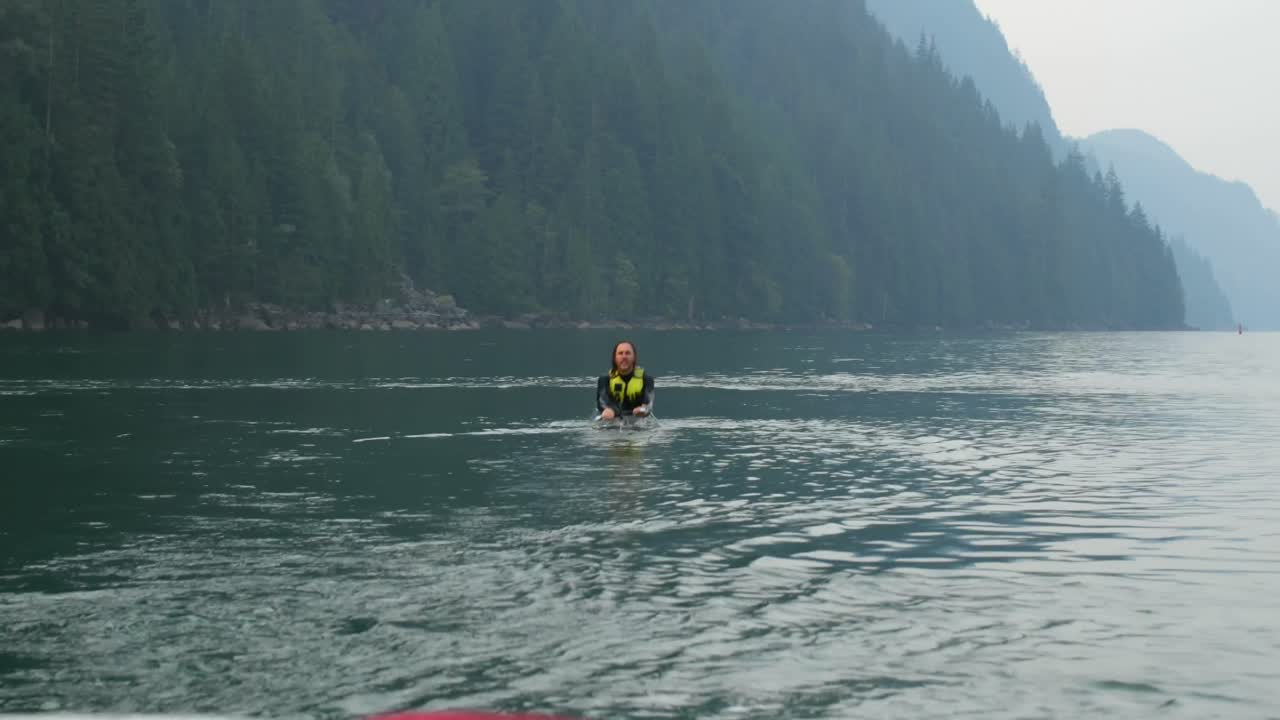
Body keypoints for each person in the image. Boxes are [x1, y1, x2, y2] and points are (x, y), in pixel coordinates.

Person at [596, 340, 654, 421]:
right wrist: (608, 410)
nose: (624, 357)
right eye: (620, 353)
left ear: (634, 357)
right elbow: (602, 402)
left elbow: (649, 403)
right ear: (615, 358)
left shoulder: (647, 379)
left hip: (637, 421)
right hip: (611, 419)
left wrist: (643, 410)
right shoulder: (604, 379)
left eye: (628, 353)